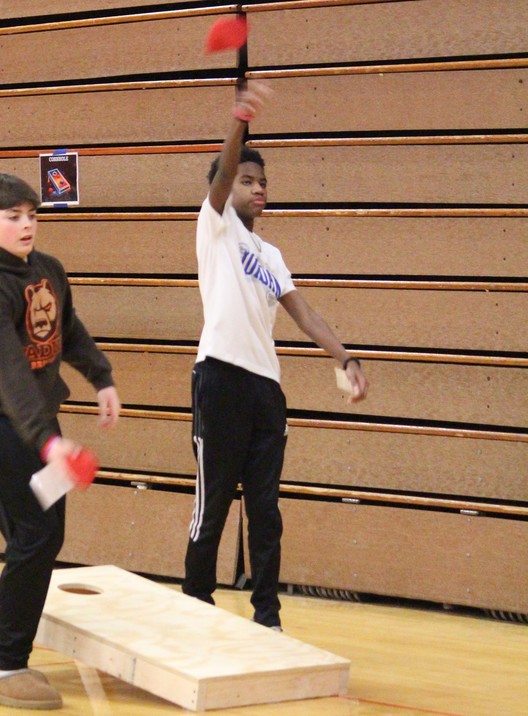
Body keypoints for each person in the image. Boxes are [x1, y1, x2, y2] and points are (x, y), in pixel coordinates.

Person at [183, 83, 369, 630]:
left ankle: (268, 615)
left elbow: (304, 315)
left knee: (265, 510)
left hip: (266, 389)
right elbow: (221, 175)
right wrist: (239, 119)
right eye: (247, 179)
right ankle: (197, 603)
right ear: (225, 186)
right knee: (212, 502)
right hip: (218, 378)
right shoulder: (213, 228)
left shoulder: (272, 255)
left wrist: (346, 358)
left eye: (263, 181)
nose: (258, 188)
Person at [0, 172, 120, 709]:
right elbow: (9, 374)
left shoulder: (47, 270)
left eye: (32, 215)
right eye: (13, 217)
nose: (26, 225)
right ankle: (7, 668)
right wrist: (51, 444)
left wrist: (102, 377)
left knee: (41, 534)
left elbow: (66, 328)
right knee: (34, 533)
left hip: (35, 423)